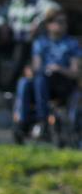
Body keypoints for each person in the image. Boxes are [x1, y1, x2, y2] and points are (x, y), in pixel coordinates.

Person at [13, 9, 80, 143]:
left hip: (62, 83)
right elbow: (37, 67)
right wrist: (31, 70)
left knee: (40, 80)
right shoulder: (40, 43)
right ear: (49, 24)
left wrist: (60, 69)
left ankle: (43, 121)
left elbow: (76, 73)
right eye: (59, 22)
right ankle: (22, 122)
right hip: (43, 81)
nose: (63, 25)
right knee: (24, 82)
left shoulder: (72, 44)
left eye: (65, 22)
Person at [0, 0, 60, 89]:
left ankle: (8, 86)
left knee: (21, 49)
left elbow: (55, 9)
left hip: (30, 42)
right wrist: (2, 25)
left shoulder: (39, 0)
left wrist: (38, 22)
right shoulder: (12, 2)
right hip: (12, 40)